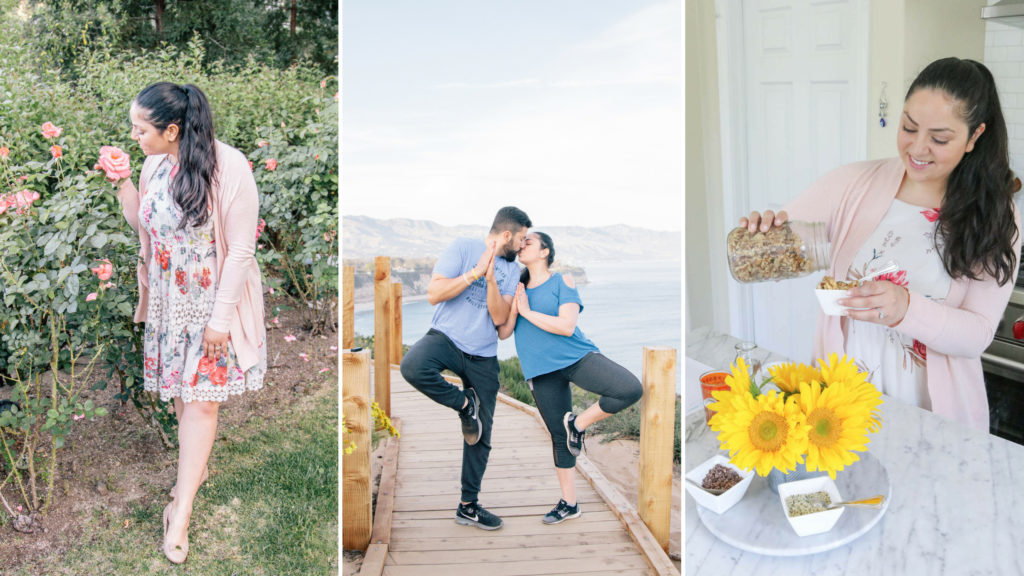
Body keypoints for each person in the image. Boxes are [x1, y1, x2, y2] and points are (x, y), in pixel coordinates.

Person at [741, 57, 1021, 432]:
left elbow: (977, 336)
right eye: (908, 127)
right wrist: (762, 234)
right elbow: (775, 252)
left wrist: (906, 307)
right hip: (842, 401)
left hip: (932, 411)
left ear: (974, 136)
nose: (918, 148)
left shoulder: (995, 213)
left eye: (939, 138)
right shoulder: (854, 183)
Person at [115, 82, 267, 563]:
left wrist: (220, 322)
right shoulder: (154, 164)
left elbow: (241, 249)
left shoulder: (230, 167)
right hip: (166, 300)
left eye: (142, 128)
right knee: (184, 397)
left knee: (201, 405)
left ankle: (179, 512)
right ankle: (193, 470)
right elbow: (146, 224)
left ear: (172, 130)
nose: (135, 135)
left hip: (210, 305)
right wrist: (120, 182)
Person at [399, 206, 531, 530]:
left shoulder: (515, 272)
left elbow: (501, 323)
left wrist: (489, 281)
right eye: (522, 238)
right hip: (446, 338)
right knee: (412, 366)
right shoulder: (462, 247)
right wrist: (474, 272)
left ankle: (468, 506)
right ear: (506, 235)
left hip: (483, 354)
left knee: (481, 434)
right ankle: (463, 403)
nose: (524, 245)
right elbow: (434, 294)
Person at [498, 231, 642, 524]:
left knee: (629, 388)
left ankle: (577, 423)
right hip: (540, 369)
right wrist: (515, 306)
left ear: (545, 252)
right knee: (559, 438)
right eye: (520, 242)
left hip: (576, 357)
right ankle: (569, 503)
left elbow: (566, 326)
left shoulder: (562, 281)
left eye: (529, 242)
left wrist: (526, 311)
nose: (522, 245)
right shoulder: (517, 287)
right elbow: (504, 332)